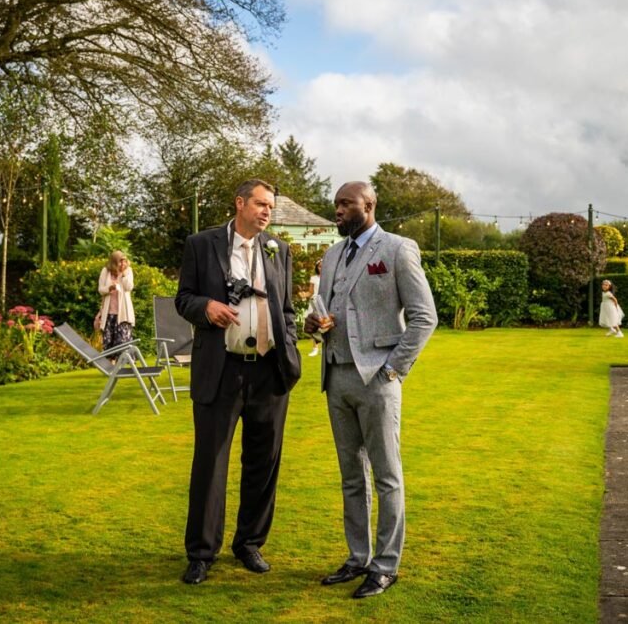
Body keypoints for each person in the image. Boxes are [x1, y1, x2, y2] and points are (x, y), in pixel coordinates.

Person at [304, 181, 437, 599]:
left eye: (346, 203)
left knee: (386, 477)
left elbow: (424, 317)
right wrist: (313, 324)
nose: (338, 210)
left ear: (369, 205)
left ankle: (385, 566)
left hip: (377, 379)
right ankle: (357, 558)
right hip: (335, 375)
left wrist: (393, 369)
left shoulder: (397, 249)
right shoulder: (331, 254)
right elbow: (323, 309)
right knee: (350, 477)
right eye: (336, 204)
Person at [175, 178, 302, 585]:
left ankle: (249, 544)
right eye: (261, 204)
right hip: (221, 369)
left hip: (268, 371)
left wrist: (291, 353)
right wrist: (206, 307)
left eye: (271, 207)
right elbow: (183, 298)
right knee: (210, 463)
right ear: (240, 203)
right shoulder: (202, 244)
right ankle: (201, 553)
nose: (267, 212)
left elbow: (287, 309)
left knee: (263, 462)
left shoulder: (279, 250)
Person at [97, 250, 135, 351]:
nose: (123, 264)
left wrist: (123, 274)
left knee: (122, 343)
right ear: (114, 262)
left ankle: (124, 364)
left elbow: (129, 287)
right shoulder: (106, 271)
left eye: (125, 261)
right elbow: (101, 289)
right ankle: (111, 365)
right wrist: (109, 288)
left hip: (123, 314)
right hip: (109, 314)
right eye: (120, 261)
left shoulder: (128, 271)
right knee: (109, 344)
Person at [308, 259, 323, 357]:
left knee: (326, 326)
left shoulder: (330, 277)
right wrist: (305, 294)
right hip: (315, 303)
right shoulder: (314, 278)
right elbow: (310, 292)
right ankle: (315, 348)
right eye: (319, 266)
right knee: (315, 326)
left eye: (323, 266)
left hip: (325, 303)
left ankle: (325, 347)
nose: (321, 268)